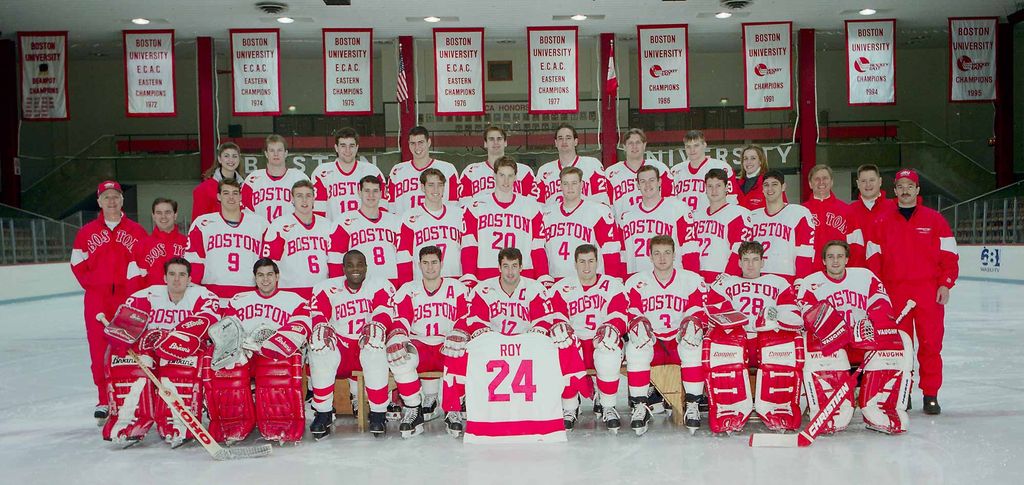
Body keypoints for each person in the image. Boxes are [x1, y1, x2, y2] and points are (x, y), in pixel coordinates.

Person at [454, 248, 590, 430]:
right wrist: (486, 336)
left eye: (514, 266)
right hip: (494, 348)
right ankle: (458, 404)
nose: (510, 271)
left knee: (564, 341)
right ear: (499, 267)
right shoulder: (484, 288)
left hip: (527, 348)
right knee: (458, 346)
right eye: (506, 266)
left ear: (521, 267)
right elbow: (476, 319)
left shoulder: (534, 288)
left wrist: (534, 336)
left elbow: (543, 319)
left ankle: (570, 405)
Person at [793, 241, 914, 434]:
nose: (835, 261)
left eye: (840, 256)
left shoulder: (865, 276)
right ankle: (826, 406)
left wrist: (874, 324)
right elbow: (805, 312)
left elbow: (882, 303)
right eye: (830, 256)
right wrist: (833, 330)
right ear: (823, 260)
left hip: (862, 341)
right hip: (831, 342)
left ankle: (881, 406)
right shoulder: (811, 282)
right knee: (813, 345)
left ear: (847, 259)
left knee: (898, 340)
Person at [866, 168, 958, 415]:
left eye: (910, 186)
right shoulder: (882, 221)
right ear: (894, 191)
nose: (905, 190)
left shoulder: (935, 220)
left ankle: (930, 394)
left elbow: (949, 256)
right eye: (900, 186)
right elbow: (873, 258)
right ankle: (901, 392)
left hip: (928, 291)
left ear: (917, 190)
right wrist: (878, 290)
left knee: (930, 344)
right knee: (898, 346)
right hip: (895, 292)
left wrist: (945, 283)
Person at [103, 257, 220, 447]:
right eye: (172, 274)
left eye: (182, 275)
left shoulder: (203, 296)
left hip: (185, 354)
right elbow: (125, 323)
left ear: (190, 279)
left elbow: (208, 321)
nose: (177, 279)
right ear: (164, 277)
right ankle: (130, 418)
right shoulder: (146, 296)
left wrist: (173, 339)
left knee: (177, 357)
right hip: (152, 353)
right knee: (127, 359)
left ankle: (177, 420)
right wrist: (126, 337)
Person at [203, 258, 310, 443]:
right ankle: (233, 423)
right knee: (228, 363)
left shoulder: (294, 300)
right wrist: (239, 347)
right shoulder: (239, 299)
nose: (265, 279)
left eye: (269, 274)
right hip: (245, 354)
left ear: (277, 276)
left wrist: (272, 345)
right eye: (260, 275)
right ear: (255, 278)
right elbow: (226, 330)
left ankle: (280, 422)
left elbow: (302, 328)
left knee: (274, 367)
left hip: (274, 355)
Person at [704, 241, 803, 433]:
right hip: (737, 341)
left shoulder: (778, 283)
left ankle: (778, 407)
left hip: (767, 341)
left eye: (755, 260)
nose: (750, 265)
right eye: (746, 260)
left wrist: (776, 317)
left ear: (762, 262)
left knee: (783, 346)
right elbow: (713, 313)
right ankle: (729, 409)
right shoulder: (726, 283)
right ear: (739, 262)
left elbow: (794, 315)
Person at [71, 180, 148, 422]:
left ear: (122, 200)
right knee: (99, 349)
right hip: (98, 299)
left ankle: (129, 396)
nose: (111, 200)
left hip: (128, 298)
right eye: (106, 197)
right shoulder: (86, 233)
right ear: (99, 201)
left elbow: (145, 264)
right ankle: (104, 398)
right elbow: (77, 264)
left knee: (129, 348)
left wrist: (134, 291)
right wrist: (95, 284)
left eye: (116, 196)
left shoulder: (136, 231)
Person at [306, 250, 397, 437]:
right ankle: (323, 413)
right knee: (319, 346)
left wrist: (377, 326)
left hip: (365, 345)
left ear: (366, 266)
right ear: (343, 268)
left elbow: (384, 312)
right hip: (341, 346)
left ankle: (378, 413)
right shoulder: (326, 287)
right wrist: (322, 329)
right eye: (350, 265)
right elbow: (319, 315)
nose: (355, 269)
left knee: (375, 342)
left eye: (359, 264)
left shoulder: (378, 285)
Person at [624, 235, 707, 435]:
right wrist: (637, 324)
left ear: (674, 255)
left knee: (693, 341)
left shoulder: (690, 279)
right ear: (649, 256)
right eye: (657, 253)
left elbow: (699, 311)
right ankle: (640, 406)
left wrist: (693, 324)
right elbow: (630, 312)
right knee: (636, 346)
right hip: (653, 342)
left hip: (678, 342)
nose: (662, 258)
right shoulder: (636, 282)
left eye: (667, 253)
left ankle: (693, 404)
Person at [387, 246, 471, 438]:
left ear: (441, 264)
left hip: (445, 344)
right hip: (420, 344)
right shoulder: (409, 289)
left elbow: (466, 316)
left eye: (434, 262)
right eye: (425, 263)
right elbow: (401, 319)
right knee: (401, 356)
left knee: (458, 350)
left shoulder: (457, 288)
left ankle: (452, 410)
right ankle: (413, 409)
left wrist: (459, 332)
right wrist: (398, 336)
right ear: (419, 265)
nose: (430, 267)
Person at [548, 244, 630, 433]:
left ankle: (608, 406)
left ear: (597, 262)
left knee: (607, 348)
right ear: (575, 264)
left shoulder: (612, 285)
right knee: (562, 344)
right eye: (582, 262)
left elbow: (620, 314)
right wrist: (562, 329)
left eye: (591, 261)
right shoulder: (562, 287)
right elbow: (557, 315)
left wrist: (611, 328)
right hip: (576, 341)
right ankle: (569, 408)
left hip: (600, 339)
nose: (587, 267)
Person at [462, 157, 549, 286]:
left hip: (523, 276)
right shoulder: (476, 206)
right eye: (502, 175)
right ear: (494, 176)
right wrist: (469, 275)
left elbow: (537, 248)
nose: (506, 181)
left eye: (510, 175)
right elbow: (470, 245)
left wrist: (542, 276)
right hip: (486, 276)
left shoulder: (532, 207)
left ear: (516, 177)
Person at [184, 178, 266, 302]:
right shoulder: (203, 223)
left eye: (235, 193)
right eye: (226, 193)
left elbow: (268, 261)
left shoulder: (260, 224)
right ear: (218, 197)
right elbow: (194, 262)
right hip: (212, 296)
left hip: (249, 296)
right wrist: (194, 295)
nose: (231, 197)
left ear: (241, 197)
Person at [261, 180, 345, 299]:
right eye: (299, 196)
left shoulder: (327, 226)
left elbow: (335, 263)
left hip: (321, 292)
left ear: (313, 199)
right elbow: (269, 264)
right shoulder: (279, 225)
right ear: (292, 199)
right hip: (289, 293)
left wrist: (335, 290)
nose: (304, 200)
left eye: (308, 196)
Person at [542, 166, 624, 279]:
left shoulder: (597, 211)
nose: (570, 187)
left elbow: (610, 250)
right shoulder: (546, 214)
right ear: (560, 186)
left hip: (587, 281)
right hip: (556, 280)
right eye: (565, 183)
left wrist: (612, 280)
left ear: (581, 185)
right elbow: (540, 250)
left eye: (574, 183)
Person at [617, 165, 698, 276]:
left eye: (652, 180)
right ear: (638, 185)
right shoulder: (627, 216)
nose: (648, 185)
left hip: (671, 278)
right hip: (638, 280)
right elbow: (623, 255)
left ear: (659, 182)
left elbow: (690, 248)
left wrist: (692, 278)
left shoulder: (678, 208)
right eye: (643, 181)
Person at [396, 168, 467, 285]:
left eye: (440, 185)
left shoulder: (459, 214)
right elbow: (404, 255)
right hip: (422, 283)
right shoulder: (410, 216)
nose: (436, 189)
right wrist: (406, 286)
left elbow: (466, 249)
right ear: (422, 187)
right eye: (431, 185)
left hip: (454, 281)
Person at [748, 170, 815, 282]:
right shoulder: (752, 216)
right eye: (766, 185)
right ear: (762, 189)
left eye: (774, 184)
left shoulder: (798, 213)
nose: (770, 189)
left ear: (783, 187)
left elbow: (805, 254)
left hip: (786, 280)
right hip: (757, 280)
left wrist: (801, 282)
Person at [334, 176, 401, 287]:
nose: (371, 195)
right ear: (359, 193)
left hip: (392, 282)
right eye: (367, 191)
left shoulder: (395, 221)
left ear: (381, 193)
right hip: (361, 285)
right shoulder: (344, 222)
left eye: (375, 191)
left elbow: (403, 258)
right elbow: (336, 261)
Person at [312, 127, 388, 221]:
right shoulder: (322, 173)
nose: (347, 150)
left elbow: (383, 205)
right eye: (343, 146)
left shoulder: (371, 171)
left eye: (351, 146)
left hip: (363, 230)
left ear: (357, 147)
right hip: (335, 230)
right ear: (336, 148)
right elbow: (318, 211)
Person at [692, 169, 751, 283]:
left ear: (726, 188)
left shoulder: (737, 214)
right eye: (710, 186)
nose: (714, 190)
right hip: (697, 279)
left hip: (722, 279)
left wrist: (727, 280)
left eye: (718, 185)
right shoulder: (696, 215)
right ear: (705, 188)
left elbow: (739, 251)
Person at [389, 126, 460, 216]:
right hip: (405, 225)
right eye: (413, 143)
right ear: (408, 144)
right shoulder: (397, 171)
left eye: (421, 142)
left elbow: (454, 203)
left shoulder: (447, 169)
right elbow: (390, 205)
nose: (417, 147)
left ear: (429, 142)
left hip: (435, 225)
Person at [535, 124, 612, 206]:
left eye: (568, 138)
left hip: (585, 217)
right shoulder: (544, 170)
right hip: (555, 217)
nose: (564, 142)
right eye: (560, 138)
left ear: (576, 142)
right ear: (556, 143)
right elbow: (539, 205)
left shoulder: (592, 164)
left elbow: (601, 200)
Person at [804, 164, 864, 268]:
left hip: (839, 274)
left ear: (831, 182)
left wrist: (851, 273)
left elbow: (857, 247)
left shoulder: (847, 211)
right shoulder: (801, 212)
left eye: (825, 178)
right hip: (809, 274)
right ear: (810, 184)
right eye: (817, 179)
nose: (821, 182)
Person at [241, 134, 310, 223]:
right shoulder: (253, 180)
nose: (276, 154)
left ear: (286, 153)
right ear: (266, 153)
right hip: (261, 233)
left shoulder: (299, 178)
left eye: (279, 150)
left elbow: (309, 208)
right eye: (272, 150)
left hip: (291, 233)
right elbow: (244, 213)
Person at [604, 128, 672, 217]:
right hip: (624, 227)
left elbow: (670, 201)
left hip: (654, 224)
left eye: (638, 143)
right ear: (624, 146)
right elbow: (606, 207)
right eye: (630, 143)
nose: (634, 146)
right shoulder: (611, 173)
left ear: (644, 145)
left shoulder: (660, 169)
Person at [459, 126, 536, 199]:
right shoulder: (471, 172)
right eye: (491, 139)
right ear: (485, 143)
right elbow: (463, 204)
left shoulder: (525, 171)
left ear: (505, 142)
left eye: (499, 139)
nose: (495, 142)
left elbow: (533, 204)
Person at [670, 130, 736, 213]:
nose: (692, 150)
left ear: (704, 145)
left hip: (711, 221)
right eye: (688, 146)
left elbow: (732, 198)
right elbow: (669, 201)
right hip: (684, 221)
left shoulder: (721, 167)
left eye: (696, 145)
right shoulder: (675, 171)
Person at [129, 197, 187, 292]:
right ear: (153, 216)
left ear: (175, 215)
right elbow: (133, 281)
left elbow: (195, 277)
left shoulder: (188, 244)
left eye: (168, 212)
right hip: (152, 302)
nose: (163, 216)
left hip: (182, 301)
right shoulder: (141, 246)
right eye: (159, 213)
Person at [192, 142, 245, 223]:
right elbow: (198, 222)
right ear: (220, 159)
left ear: (239, 159)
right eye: (226, 156)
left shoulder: (246, 187)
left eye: (234, 156)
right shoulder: (204, 189)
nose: (231, 160)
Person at [731, 145, 783, 211]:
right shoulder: (735, 185)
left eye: (753, 158)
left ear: (760, 161)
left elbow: (782, 212)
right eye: (745, 158)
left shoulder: (772, 183)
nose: (748, 162)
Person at [849, 164, 896, 232]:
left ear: (880, 181)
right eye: (863, 181)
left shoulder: (894, 208)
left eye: (872, 180)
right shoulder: (849, 211)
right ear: (858, 183)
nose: (868, 184)